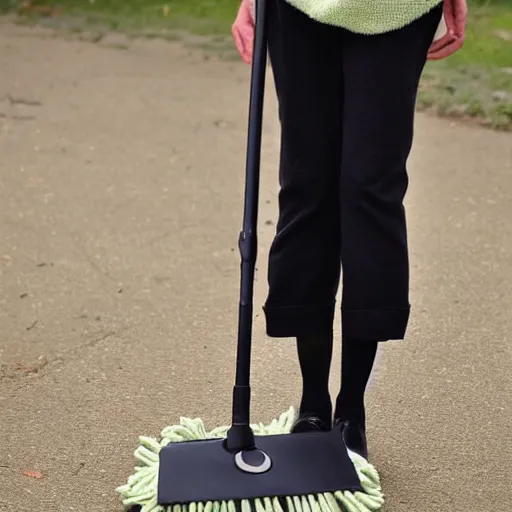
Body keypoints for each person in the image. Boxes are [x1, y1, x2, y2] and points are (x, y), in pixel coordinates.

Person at [232, 0, 467, 459]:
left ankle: (351, 410)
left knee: (369, 192)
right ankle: (313, 405)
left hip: (398, 8)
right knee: (307, 184)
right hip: (298, 8)